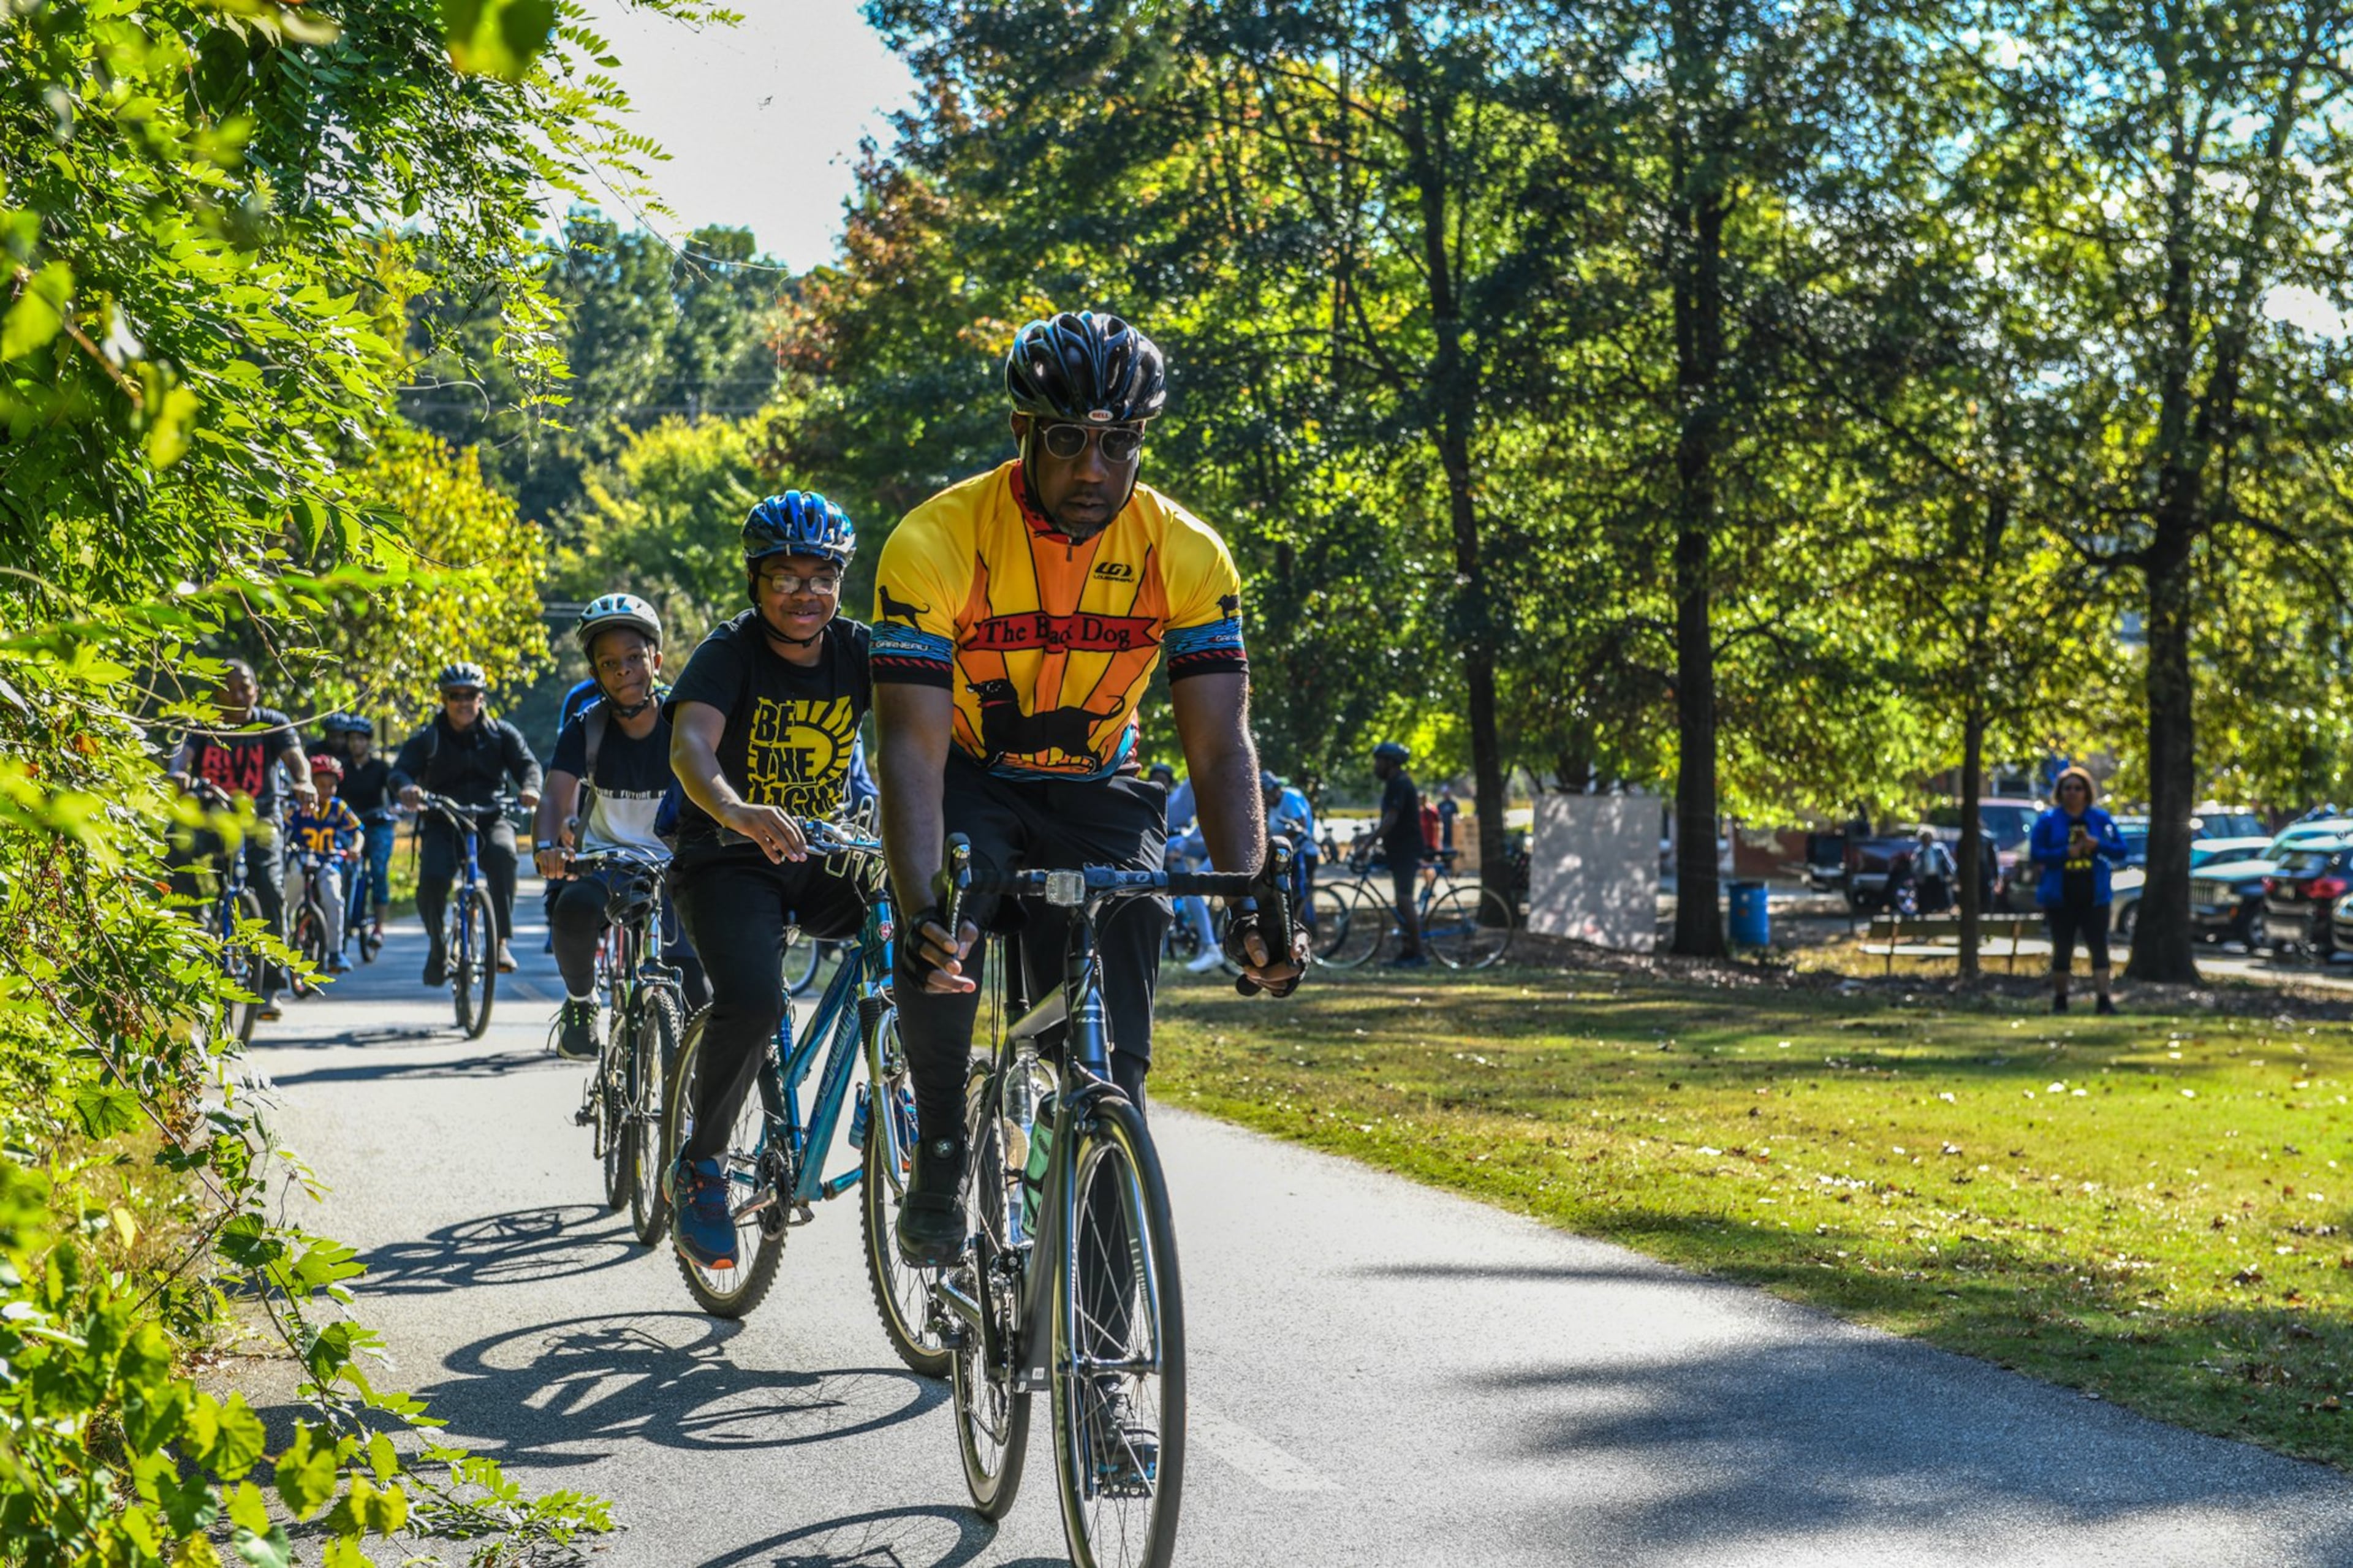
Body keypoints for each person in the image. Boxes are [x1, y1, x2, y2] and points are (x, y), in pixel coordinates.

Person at [872, 308, 1305, 1278]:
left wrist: (1251, 893)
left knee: (1120, 987)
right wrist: (923, 905)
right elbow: (909, 747)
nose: (1094, 469)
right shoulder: (935, 538)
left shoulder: (1187, 551)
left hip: (1101, 786)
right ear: (1021, 431)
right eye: (1068, 440)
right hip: (971, 776)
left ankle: (1107, 1316)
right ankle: (939, 1143)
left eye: (1120, 443)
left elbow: (1218, 744)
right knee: (947, 927)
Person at [663, 493, 873, 1270]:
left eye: (823, 578)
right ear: (756, 582)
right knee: (753, 1002)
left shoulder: (860, 651)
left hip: (823, 854)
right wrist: (738, 810)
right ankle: (702, 1167)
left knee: (918, 924)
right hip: (727, 857)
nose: (804, 594)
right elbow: (691, 747)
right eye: (785, 578)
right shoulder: (729, 652)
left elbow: (929, 724)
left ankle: (905, 1096)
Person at [534, 595, 709, 1062]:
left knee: (696, 992)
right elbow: (554, 796)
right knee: (573, 908)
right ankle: (580, 1002)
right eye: (609, 663)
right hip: (607, 862)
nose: (623, 670)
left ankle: (686, 1093)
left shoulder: (686, 722)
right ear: (595, 674)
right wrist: (547, 846)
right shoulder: (586, 727)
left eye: (634, 657)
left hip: (678, 866)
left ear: (657, 660)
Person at [169, 659, 311, 1021]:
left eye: (245, 687)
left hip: (260, 819)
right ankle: (194, 928)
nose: (238, 695)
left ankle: (270, 987)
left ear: (256, 690)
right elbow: (181, 759)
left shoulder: (273, 723)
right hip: (212, 816)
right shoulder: (203, 724)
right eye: (229, 689)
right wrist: (178, 776)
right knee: (178, 845)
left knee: (270, 887)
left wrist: (304, 781)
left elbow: (296, 759)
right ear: (216, 695)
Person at [389, 664, 542, 985]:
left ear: (480, 698)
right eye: (455, 696)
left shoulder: (501, 734)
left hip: (490, 817)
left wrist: (530, 788)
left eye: (469, 695)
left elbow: (528, 765)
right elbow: (400, 771)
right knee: (432, 879)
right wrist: (406, 788)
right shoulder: (428, 738)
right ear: (444, 700)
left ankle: (500, 943)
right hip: (442, 821)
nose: (463, 702)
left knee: (504, 856)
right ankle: (438, 946)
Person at [2029, 767, 2126, 1014]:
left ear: (2087, 792)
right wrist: (2065, 853)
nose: (2073, 793)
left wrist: (2098, 845)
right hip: (2060, 895)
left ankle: (2104, 1001)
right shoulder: (2049, 821)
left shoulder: (2100, 819)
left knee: (2099, 946)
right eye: (2068, 788)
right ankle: (2060, 1001)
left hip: (2095, 895)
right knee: (2062, 947)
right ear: (2060, 792)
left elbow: (2121, 850)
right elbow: (2036, 853)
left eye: (2078, 788)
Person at [285, 754, 363, 975]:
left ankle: (335, 952)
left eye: (332, 786)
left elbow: (357, 832)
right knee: (286, 900)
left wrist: (356, 848)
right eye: (321, 786)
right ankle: (279, 943)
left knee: (334, 899)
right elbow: (283, 827)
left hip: (329, 861)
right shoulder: (299, 807)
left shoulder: (339, 808)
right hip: (301, 860)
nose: (327, 791)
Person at [324, 714, 396, 945]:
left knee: (379, 871)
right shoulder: (342, 769)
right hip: (349, 828)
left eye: (361, 739)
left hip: (377, 825)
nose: (356, 744)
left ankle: (379, 928)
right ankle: (342, 920)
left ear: (368, 742)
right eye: (352, 739)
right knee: (340, 868)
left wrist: (395, 808)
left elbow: (394, 796)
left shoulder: (381, 768)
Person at [1156, 762, 1221, 972]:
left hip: (1221, 846)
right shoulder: (1176, 796)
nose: (1159, 782)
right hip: (1206, 846)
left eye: (1163, 779)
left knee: (1192, 890)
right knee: (1187, 888)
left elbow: (1209, 819)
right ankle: (1204, 947)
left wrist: (1181, 848)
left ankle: (1211, 948)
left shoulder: (1195, 785)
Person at [1372, 740, 1426, 967]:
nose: (1376, 766)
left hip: (1406, 850)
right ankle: (1407, 951)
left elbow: (1391, 819)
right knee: (1401, 901)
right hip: (1398, 851)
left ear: (1390, 763)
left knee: (1405, 900)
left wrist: (1368, 843)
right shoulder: (1394, 783)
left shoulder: (1401, 784)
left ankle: (1419, 954)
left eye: (1379, 761)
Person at [1262, 770, 1319, 933]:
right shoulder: (1272, 805)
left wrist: (1276, 842)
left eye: (1268, 794)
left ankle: (1305, 928)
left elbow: (1299, 826)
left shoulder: (1290, 798)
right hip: (1286, 855)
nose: (1267, 799)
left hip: (1303, 853)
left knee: (1300, 893)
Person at [1912, 826, 1956, 915]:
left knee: (1942, 898)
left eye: (1928, 837)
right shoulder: (1919, 852)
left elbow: (1948, 862)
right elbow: (1915, 867)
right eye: (1924, 838)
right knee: (1926, 899)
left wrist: (1952, 873)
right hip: (1925, 878)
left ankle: (1944, 912)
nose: (1927, 840)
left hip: (1938, 876)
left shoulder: (1939, 849)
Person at [1436, 781, 1460, 853]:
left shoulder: (1453, 804)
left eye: (1447, 793)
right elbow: (1438, 816)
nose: (1446, 795)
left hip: (1452, 828)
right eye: (1445, 794)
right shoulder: (1440, 804)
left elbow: (1457, 815)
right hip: (1443, 828)